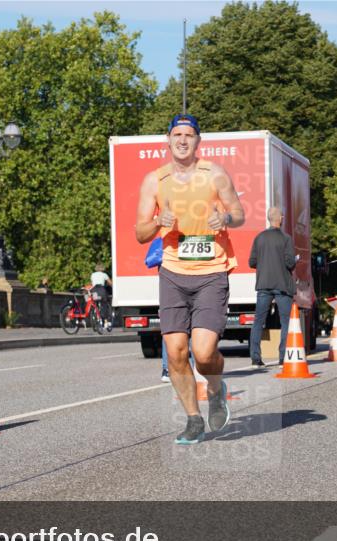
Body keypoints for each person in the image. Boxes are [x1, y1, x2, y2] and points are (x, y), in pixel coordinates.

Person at [134, 113, 245, 444]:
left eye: (189, 135)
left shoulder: (215, 175)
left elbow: (239, 214)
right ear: (167, 140)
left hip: (211, 272)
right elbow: (140, 232)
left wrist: (224, 217)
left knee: (205, 351)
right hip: (172, 273)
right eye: (177, 134)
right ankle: (193, 419)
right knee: (176, 352)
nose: (183, 140)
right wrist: (157, 222)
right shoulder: (155, 181)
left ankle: (215, 388)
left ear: (198, 141)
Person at [248, 206, 297, 368]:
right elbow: (290, 262)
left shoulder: (259, 238)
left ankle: (256, 358)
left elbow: (252, 262)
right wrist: (295, 260)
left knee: (258, 321)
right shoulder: (286, 238)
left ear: (269, 219)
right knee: (285, 322)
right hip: (282, 285)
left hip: (263, 284)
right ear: (280, 218)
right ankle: (283, 357)